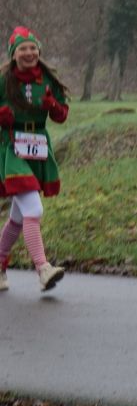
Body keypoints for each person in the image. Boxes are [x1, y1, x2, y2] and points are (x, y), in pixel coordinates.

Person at [0, 26, 70, 292]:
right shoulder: (4, 79)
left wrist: (52, 105)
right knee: (34, 209)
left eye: (32, 48)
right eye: (22, 49)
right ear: (13, 54)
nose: (28, 53)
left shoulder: (47, 80)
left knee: (19, 217)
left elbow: (62, 115)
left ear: (38, 51)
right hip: (10, 149)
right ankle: (43, 268)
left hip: (38, 148)